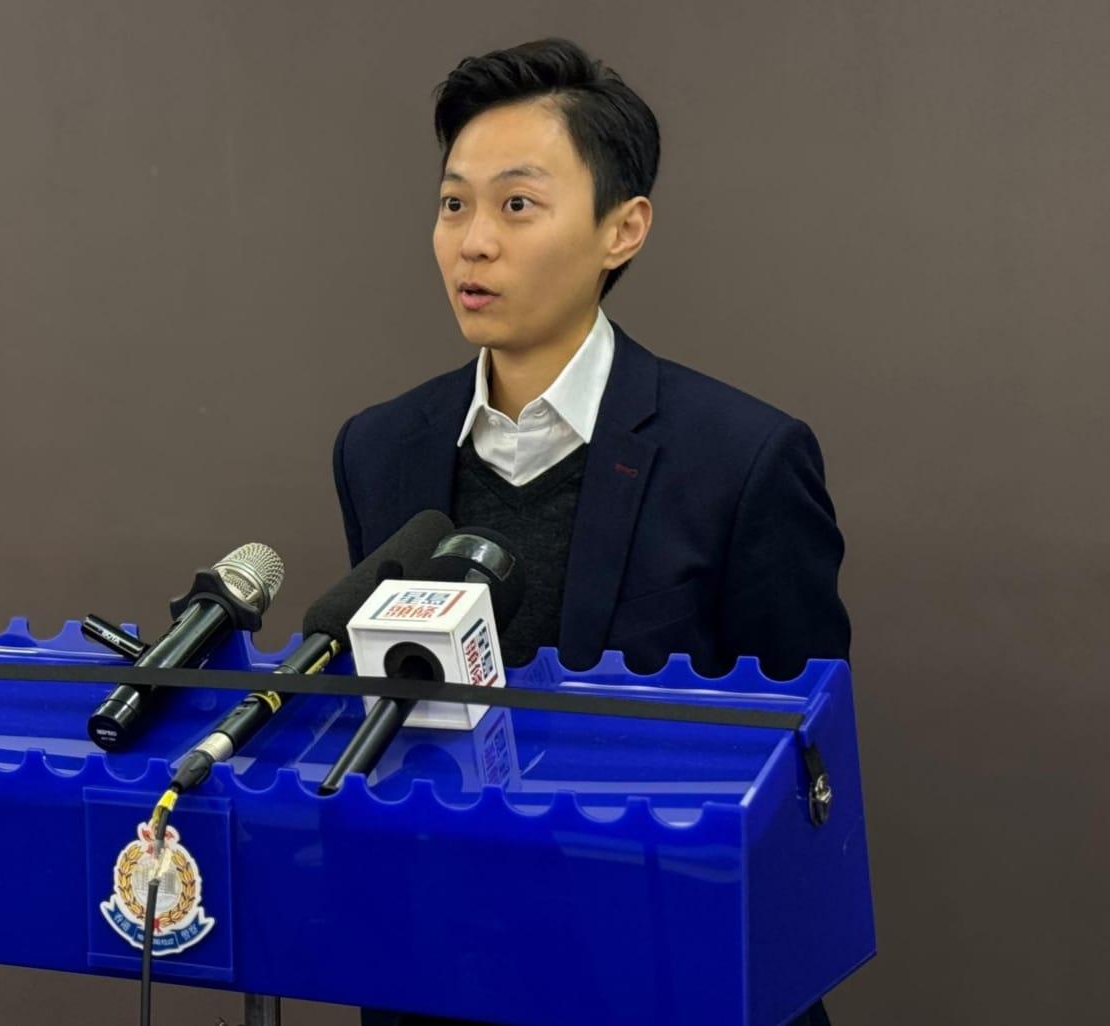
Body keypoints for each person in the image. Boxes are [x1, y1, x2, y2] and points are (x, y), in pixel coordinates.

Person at [334, 37, 846, 1026]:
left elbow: (798, 769)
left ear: (624, 229)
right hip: (441, 974)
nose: (474, 242)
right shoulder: (381, 449)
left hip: (663, 974)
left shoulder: (741, 458)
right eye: (453, 205)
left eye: (517, 205)